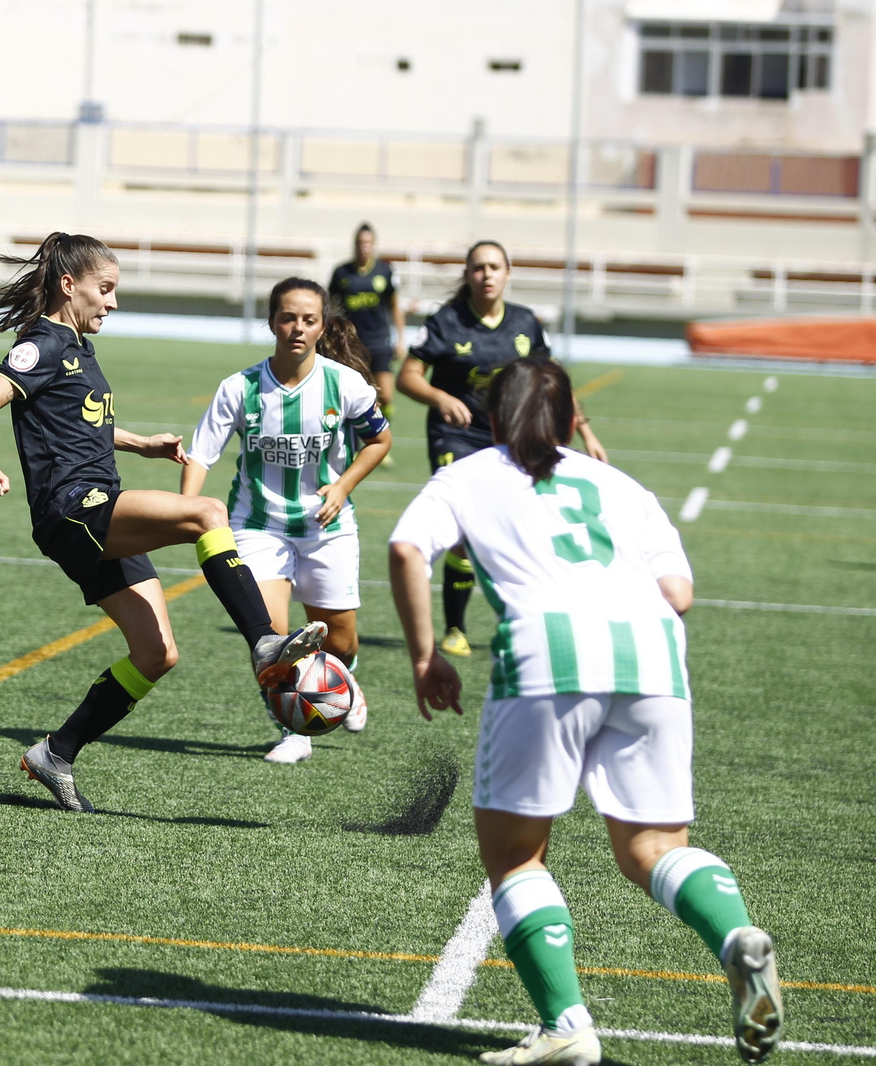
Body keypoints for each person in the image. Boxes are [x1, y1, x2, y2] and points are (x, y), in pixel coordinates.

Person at [387, 359, 782, 1066]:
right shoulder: (620, 484)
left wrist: (425, 656)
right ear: (573, 420)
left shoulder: (469, 474)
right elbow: (679, 592)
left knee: (515, 857)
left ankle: (566, 1025)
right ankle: (735, 938)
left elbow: (407, 547)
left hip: (549, 651)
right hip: (654, 652)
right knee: (654, 848)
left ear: (493, 420)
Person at [0, 232, 327, 812]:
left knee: (157, 655)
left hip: (98, 504)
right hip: (73, 508)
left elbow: (81, 426)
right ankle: (263, 642)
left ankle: (55, 753)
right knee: (206, 512)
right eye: (104, 290)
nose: (112, 302)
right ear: (69, 285)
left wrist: (141, 444)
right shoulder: (43, 345)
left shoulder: (78, 347)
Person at [181, 277, 391, 764]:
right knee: (272, 641)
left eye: (309, 320)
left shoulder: (345, 384)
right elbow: (199, 456)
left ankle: (344, 678)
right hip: (257, 525)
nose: (298, 328)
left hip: (327, 527)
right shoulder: (239, 388)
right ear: (273, 321)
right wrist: (187, 513)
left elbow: (380, 441)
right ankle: (294, 733)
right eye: (288, 318)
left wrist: (342, 486)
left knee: (340, 639)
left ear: (322, 326)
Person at [396, 239, 606, 659]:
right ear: (468, 275)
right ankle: (455, 628)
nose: (487, 275)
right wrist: (439, 398)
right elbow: (408, 376)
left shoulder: (526, 323)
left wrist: (585, 431)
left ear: (508, 273)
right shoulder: (446, 322)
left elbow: (554, 382)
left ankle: (521, 616)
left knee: (517, 520)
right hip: (455, 435)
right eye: (478, 268)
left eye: (494, 267)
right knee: (464, 529)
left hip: (511, 435)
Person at [327, 223, 406, 463]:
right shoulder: (342, 273)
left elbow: (394, 306)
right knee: (350, 395)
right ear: (355, 245)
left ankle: (380, 442)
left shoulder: (384, 271)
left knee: (387, 396)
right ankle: (348, 443)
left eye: (368, 243)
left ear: (373, 245)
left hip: (380, 341)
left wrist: (401, 338)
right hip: (350, 344)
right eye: (360, 243)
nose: (364, 247)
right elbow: (330, 306)